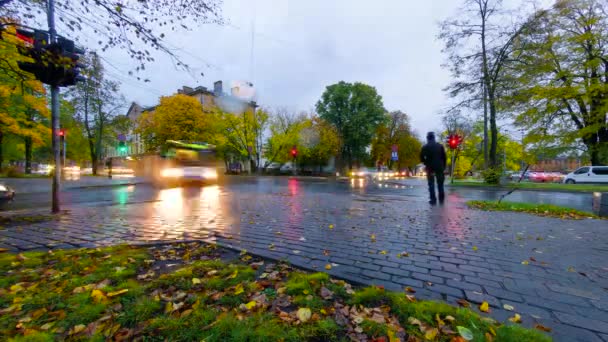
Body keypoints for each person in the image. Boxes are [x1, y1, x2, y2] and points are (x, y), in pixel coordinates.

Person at [420, 132, 447, 205]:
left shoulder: (425, 147)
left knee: (431, 184)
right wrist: (443, 166)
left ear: (427, 138)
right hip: (439, 167)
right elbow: (444, 157)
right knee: (440, 183)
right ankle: (441, 199)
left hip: (430, 167)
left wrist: (426, 163)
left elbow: (421, 158)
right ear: (434, 138)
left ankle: (433, 200)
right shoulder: (440, 146)